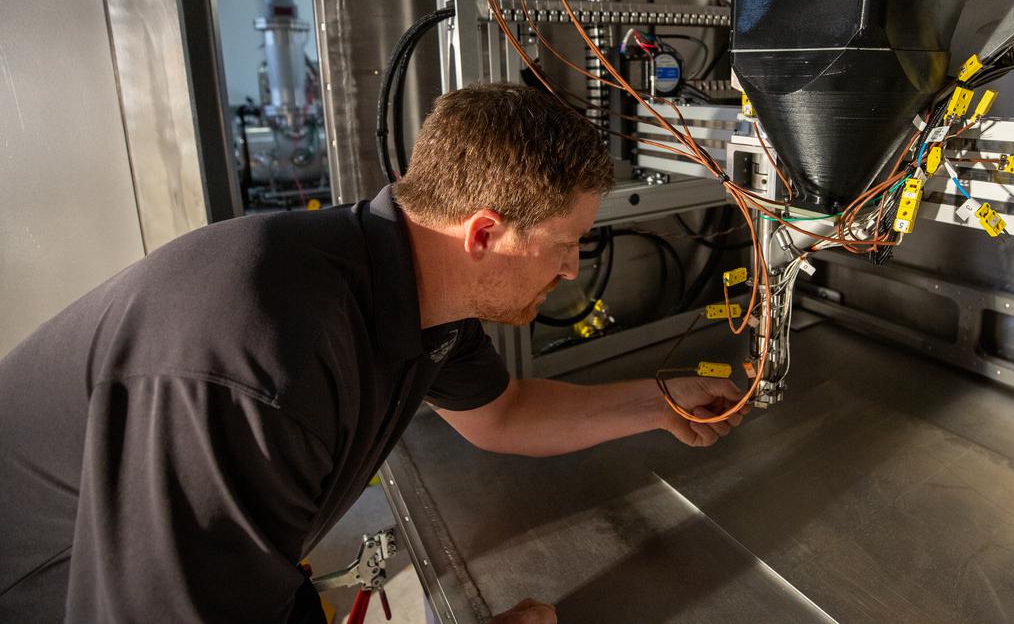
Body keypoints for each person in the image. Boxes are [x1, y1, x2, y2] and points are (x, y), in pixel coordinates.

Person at [0, 83, 746, 623]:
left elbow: (503, 414)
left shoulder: (412, 289)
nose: (573, 270)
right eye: (564, 245)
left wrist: (658, 401)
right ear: (484, 234)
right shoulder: (257, 358)